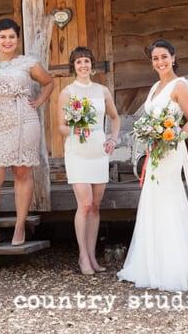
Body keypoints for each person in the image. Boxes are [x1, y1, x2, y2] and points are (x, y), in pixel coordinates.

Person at [117, 39, 188, 292]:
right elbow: (150, 119)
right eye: (155, 58)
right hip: (154, 151)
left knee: (168, 201)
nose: (160, 62)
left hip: (170, 151)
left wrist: (173, 138)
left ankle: (174, 267)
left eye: (164, 57)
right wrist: (151, 135)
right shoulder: (154, 87)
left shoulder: (179, 85)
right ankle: (152, 264)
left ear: (173, 57)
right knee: (152, 201)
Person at [0, 18, 54, 247]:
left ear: (17, 40)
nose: (7, 41)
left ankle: (20, 227)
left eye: (11, 37)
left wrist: (37, 102)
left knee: (22, 173)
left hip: (23, 121)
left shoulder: (28, 63)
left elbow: (49, 83)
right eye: (3, 37)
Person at [57, 47, 120, 275]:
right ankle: (83, 257)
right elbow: (61, 126)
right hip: (77, 152)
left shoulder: (102, 91)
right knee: (84, 205)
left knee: (95, 206)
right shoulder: (67, 92)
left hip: (98, 151)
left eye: (86, 61)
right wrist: (76, 127)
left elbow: (114, 118)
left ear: (92, 65)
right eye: (78, 62)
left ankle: (93, 256)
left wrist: (113, 138)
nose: (83, 65)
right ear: (73, 66)